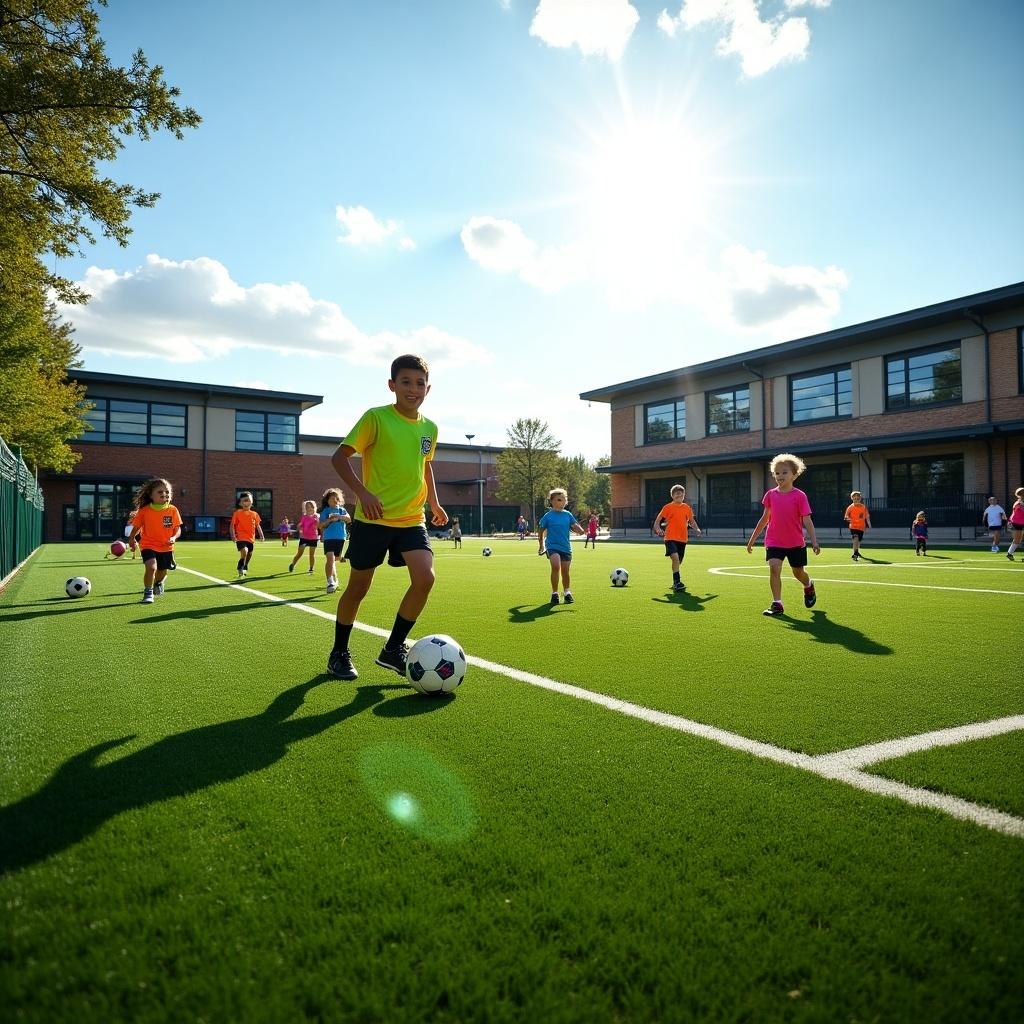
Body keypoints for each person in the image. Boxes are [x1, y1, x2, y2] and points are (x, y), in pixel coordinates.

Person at [326, 354, 448, 680]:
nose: (413, 389)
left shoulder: (430, 428)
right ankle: (339, 652)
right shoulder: (376, 418)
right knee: (358, 589)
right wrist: (362, 493)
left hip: (411, 520)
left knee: (425, 579)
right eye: (406, 382)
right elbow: (339, 458)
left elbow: (424, 465)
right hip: (373, 520)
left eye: (420, 383)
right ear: (392, 385)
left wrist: (434, 504)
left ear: (429, 387)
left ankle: (392, 649)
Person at [745, 453, 820, 616]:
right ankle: (777, 603)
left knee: (798, 572)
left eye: (784, 472)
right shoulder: (770, 495)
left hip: (795, 543)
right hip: (774, 541)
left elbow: (807, 520)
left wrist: (814, 542)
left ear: (794, 474)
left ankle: (808, 585)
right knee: (774, 568)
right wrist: (751, 540)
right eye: (777, 473)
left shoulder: (800, 496)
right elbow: (765, 519)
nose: (780, 476)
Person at [127, 478, 182, 604]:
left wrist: (173, 538)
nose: (165, 494)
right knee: (151, 567)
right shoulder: (144, 511)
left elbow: (177, 529)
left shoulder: (173, 510)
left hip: (166, 547)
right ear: (151, 495)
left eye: (167, 492)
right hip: (148, 544)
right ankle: (148, 593)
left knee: (162, 572)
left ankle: (158, 583)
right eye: (160, 492)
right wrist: (131, 539)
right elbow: (136, 527)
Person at [538, 488, 586, 605]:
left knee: (565, 572)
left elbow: (576, 526)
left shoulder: (568, 515)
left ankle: (567, 592)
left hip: (566, 547)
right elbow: (541, 532)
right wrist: (541, 545)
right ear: (552, 501)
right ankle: (554, 593)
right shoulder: (548, 516)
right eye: (559, 499)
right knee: (555, 566)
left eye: (564, 500)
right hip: (552, 546)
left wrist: (580, 530)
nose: (562, 502)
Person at [653, 484, 702, 592]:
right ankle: (677, 583)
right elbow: (658, 520)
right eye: (676, 493)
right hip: (670, 537)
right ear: (672, 496)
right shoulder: (667, 507)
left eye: (681, 493)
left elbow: (692, 521)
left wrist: (697, 529)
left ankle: (675, 580)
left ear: (684, 495)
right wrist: (658, 529)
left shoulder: (687, 508)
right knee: (675, 558)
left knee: (678, 562)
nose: (679, 494)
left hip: (683, 539)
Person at [319, 487, 351, 594]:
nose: (334, 500)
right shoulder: (325, 511)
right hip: (329, 538)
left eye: (336, 498)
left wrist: (339, 516)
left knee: (335, 558)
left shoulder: (342, 510)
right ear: (327, 500)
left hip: (341, 537)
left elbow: (348, 519)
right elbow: (321, 525)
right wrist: (329, 520)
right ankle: (330, 582)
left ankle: (339, 560)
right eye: (331, 498)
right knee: (330, 558)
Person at [230, 492, 264, 577]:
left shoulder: (255, 514)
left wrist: (261, 535)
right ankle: (240, 566)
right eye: (244, 501)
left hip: (251, 539)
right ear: (240, 503)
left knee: (249, 554)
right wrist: (233, 535)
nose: (246, 503)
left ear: (252, 502)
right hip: (241, 538)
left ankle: (245, 565)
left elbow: (258, 525)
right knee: (244, 551)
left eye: (248, 500)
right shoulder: (237, 513)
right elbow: (232, 525)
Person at [289, 500, 320, 574]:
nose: (308, 508)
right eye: (306, 507)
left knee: (311, 554)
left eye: (309, 507)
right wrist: (299, 527)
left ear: (313, 507)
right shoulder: (304, 516)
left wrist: (317, 521)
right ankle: (293, 564)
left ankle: (311, 568)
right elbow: (300, 525)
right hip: (304, 537)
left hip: (313, 538)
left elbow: (319, 525)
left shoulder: (317, 516)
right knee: (300, 553)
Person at [844, 491, 872, 561]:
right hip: (853, 526)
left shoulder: (863, 507)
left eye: (857, 498)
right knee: (855, 537)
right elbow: (846, 517)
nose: (856, 500)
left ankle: (856, 551)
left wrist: (869, 524)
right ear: (852, 499)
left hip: (861, 527)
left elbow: (867, 517)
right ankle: (855, 553)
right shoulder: (850, 507)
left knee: (859, 541)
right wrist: (849, 519)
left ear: (860, 499)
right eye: (854, 498)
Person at [1006, 487, 1024, 561]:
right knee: (1017, 539)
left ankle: (1009, 554)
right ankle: (1009, 553)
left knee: (1018, 539)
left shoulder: (1019, 503)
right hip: (1018, 523)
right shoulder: (1018, 503)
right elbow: (1016, 512)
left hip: (1019, 522)